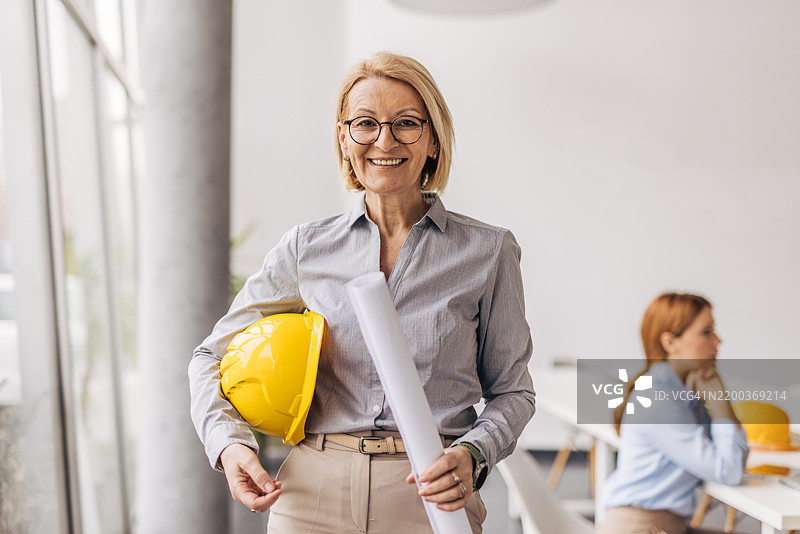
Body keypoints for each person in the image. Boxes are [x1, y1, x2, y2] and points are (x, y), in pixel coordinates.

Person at [188, 52, 536, 533]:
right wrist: (229, 444)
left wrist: (473, 454)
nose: (384, 141)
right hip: (312, 491)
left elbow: (513, 391)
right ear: (344, 138)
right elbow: (210, 355)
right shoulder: (307, 248)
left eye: (406, 124)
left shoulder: (487, 251)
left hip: (429, 492)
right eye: (366, 124)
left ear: (433, 140)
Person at [596, 292, 749, 534]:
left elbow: (733, 460)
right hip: (640, 527)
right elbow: (727, 470)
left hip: (665, 525)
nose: (718, 341)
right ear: (670, 343)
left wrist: (717, 398)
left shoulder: (680, 390)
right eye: (706, 332)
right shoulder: (660, 399)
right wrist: (719, 399)